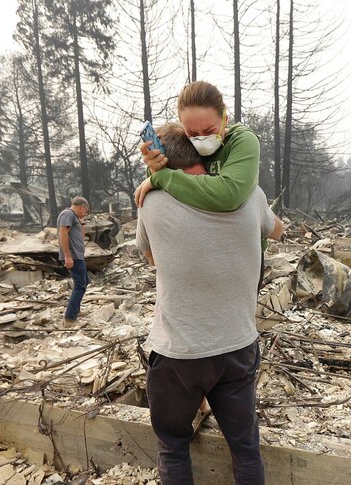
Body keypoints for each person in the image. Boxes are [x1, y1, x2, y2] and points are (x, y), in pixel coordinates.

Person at [136, 123, 283, 485]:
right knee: (246, 449)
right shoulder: (249, 193)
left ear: (162, 162)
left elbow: (152, 258)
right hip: (236, 348)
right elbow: (277, 230)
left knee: (173, 446)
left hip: (177, 354)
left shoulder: (150, 198)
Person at [135, 80, 260, 212]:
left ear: (225, 119)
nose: (201, 138)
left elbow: (229, 196)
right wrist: (155, 167)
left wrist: (161, 177)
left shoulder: (242, 140)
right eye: (192, 133)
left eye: (210, 131)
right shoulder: (184, 139)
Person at [57, 196, 89, 326]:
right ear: (81, 207)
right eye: (85, 211)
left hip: (78, 255)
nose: (85, 213)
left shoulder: (74, 217)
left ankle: (75, 310)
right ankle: (69, 318)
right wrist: (67, 256)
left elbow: (81, 236)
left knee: (85, 281)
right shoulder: (67, 214)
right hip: (73, 256)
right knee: (80, 285)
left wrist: (82, 222)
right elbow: (63, 233)